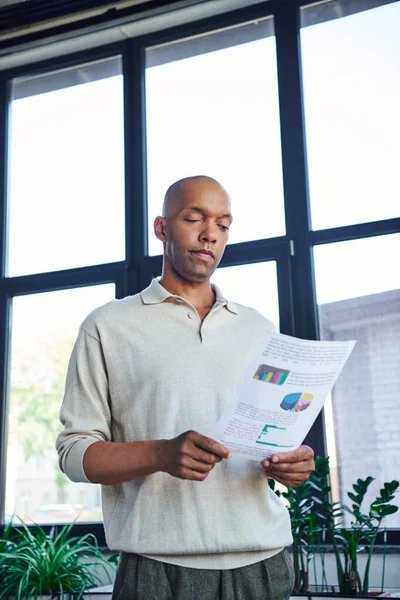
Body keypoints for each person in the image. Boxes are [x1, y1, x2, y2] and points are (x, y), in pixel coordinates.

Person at [56, 175, 315, 600]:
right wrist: (160, 453)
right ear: (161, 229)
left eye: (224, 225)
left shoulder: (257, 328)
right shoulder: (107, 326)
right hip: (158, 571)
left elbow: (274, 435)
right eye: (194, 218)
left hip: (265, 563)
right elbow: (73, 455)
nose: (210, 234)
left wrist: (294, 462)